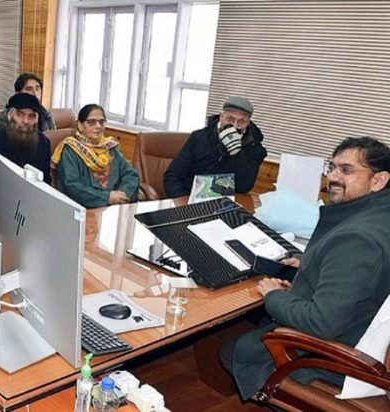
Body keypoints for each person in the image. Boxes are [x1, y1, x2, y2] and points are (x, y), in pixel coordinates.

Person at [221, 137, 390, 401]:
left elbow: (320, 324)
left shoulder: (359, 239)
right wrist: (311, 262)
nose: (333, 177)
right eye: (331, 167)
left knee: (233, 347)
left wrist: (273, 296)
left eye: (346, 170)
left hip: (337, 357)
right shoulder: (379, 217)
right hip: (362, 331)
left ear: (378, 181)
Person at [163, 96, 267, 198]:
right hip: (188, 196)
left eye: (242, 121)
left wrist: (237, 153)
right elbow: (172, 176)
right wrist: (183, 202)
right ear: (221, 117)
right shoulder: (199, 137)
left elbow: (243, 187)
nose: (235, 125)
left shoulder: (255, 149)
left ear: (248, 123)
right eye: (230, 119)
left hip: (223, 203)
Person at [0, 93, 51, 211]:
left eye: (31, 116)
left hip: (34, 209)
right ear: (9, 115)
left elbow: (45, 182)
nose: (26, 121)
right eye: (20, 115)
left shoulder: (43, 143)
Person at [52, 104, 139, 208]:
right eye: (91, 122)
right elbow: (72, 186)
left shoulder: (109, 147)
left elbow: (131, 174)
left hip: (116, 207)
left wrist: (123, 193)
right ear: (80, 125)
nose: (98, 126)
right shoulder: (71, 150)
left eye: (101, 122)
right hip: (83, 210)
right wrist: (107, 198)